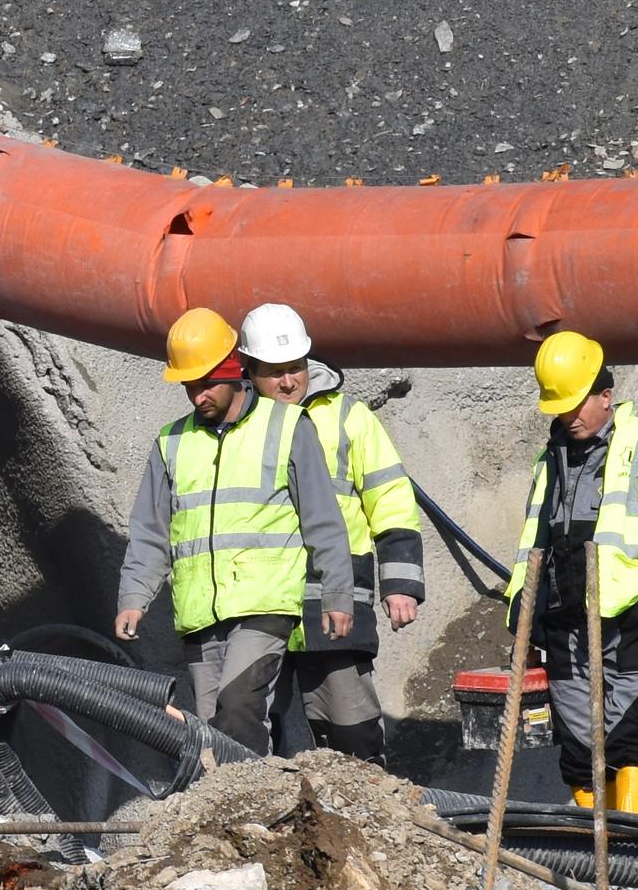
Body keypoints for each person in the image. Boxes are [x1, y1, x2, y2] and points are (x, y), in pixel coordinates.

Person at [113, 306, 354, 754]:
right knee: (212, 734)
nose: (197, 396)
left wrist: (337, 594)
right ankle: (240, 818)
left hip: (265, 605)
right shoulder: (171, 442)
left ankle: (250, 817)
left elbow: (324, 520)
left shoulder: (286, 427)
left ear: (231, 372)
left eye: (206, 384)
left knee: (239, 708)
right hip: (201, 613)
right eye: (189, 386)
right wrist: (133, 598)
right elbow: (151, 531)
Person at [504, 329, 638, 813]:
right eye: (559, 407)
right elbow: (536, 540)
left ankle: (633, 860)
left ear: (606, 396)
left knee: (632, 736)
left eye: (574, 405)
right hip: (565, 624)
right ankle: (597, 871)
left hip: (632, 622)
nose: (566, 417)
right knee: (578, 750)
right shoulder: (550, 459)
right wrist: (524, 616)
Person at [243, 302, 424, 765]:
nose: (288, 382)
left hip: (336, 597)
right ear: (250, 371)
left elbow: (390, 498)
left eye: (295, 368)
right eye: (274, 372)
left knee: (353, 732)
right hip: (261, 601)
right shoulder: (237, 428)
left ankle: (368, 824)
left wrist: (401, 584)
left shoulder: (349, 416)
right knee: (260, 742)